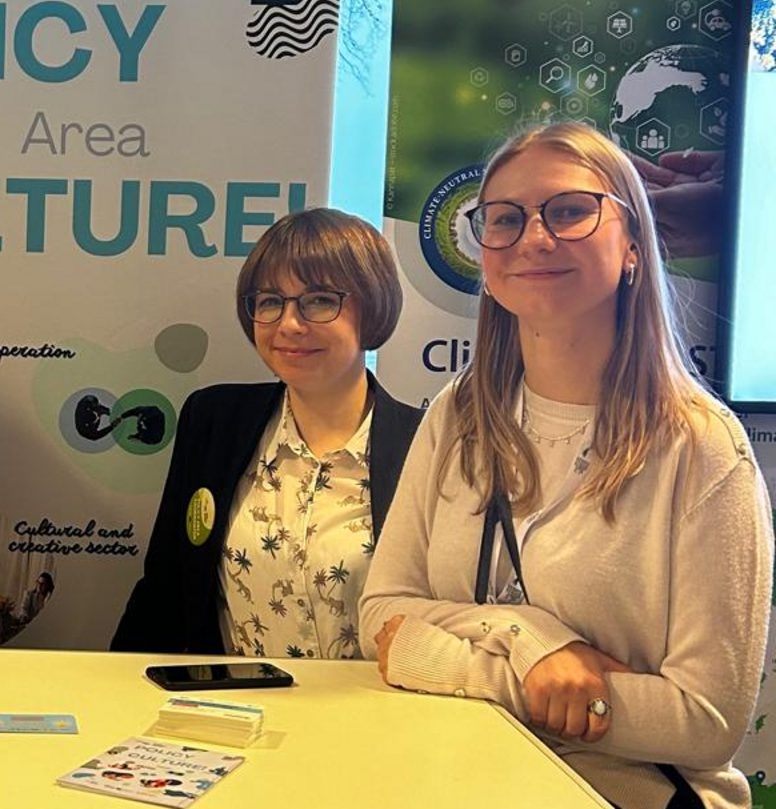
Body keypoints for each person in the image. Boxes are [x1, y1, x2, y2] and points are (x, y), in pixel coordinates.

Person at [361, 122, 771, 809]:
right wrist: (536, 643)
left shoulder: (702, 448)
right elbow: (384, 614)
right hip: (452, 780)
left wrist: (445, 660)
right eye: (506, 219)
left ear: (634, 244)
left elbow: (706, 723)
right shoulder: (455, 416)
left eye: (571, 211)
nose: (535, 238)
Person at [113, 208, 423, 657]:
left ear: (372, 307)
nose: (289, 324)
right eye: (270, 301)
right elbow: (165, 587)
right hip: (230, 715)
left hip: (373, 717)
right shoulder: (215, 421)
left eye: (319, 300)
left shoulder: (427, 446)